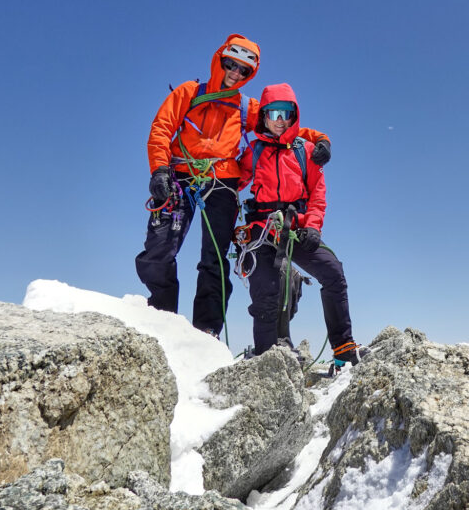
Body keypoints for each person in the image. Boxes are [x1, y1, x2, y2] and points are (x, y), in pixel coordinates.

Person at [135, 34, 332, 337]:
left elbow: (281, 125)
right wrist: (159, 169)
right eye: (231, 65)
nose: (236, 74)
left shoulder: (245, 106)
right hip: (178, 176)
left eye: (244, 71)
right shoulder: (189, 92)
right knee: (159, 248)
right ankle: (161, 320)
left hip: (222, 182)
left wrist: (319, 138)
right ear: (221, 60)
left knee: (214, 257)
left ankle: (206, 332)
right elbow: (161, 128)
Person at [237, 82, 361, 369]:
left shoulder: (306, 151)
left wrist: (314, 227)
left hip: (297, 229)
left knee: (332, 272)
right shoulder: (252, 152)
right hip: (261, 230)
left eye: (286, 113)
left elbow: (318, 194)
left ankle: (343, 350)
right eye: (273, 113)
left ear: (294, 115)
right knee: (265, 289)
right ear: (264, 116)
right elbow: (234, 184)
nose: (280, 120)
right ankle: (267, 357)